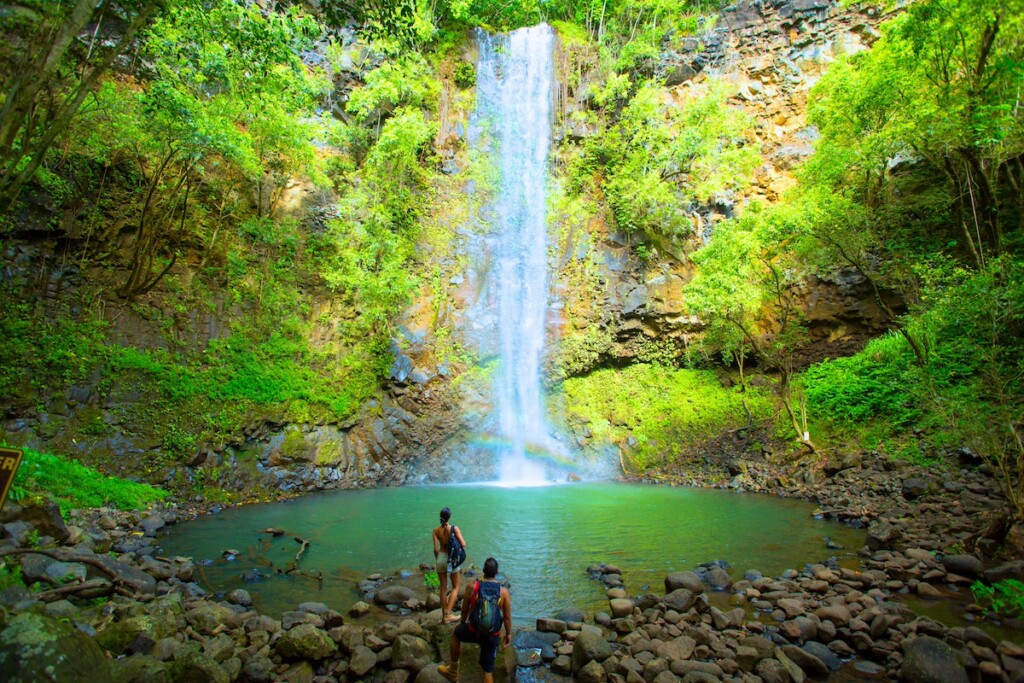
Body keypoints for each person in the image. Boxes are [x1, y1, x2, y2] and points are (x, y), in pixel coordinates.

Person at [438, 557, 512, 683]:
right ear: (497, 572)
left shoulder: (472, 586)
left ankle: (453, 670)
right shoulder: (503, 592)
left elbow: (465, 609)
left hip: (473, 630)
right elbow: (507, 617)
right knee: (488, 671)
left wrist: (462, 622)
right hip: (491, 636)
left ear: (483, 570)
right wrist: (508, 634)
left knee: (457, 634)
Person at [433, 507, 467, 624]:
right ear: (449, 517)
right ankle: (448, 614)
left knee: (443, 588)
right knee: (456, 587)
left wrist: (438, 560)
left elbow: (435, 550)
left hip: (441, 558)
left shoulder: (435, 531)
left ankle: (444, 615)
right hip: (452, 559)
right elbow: (463, 544)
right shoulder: (454, 528)